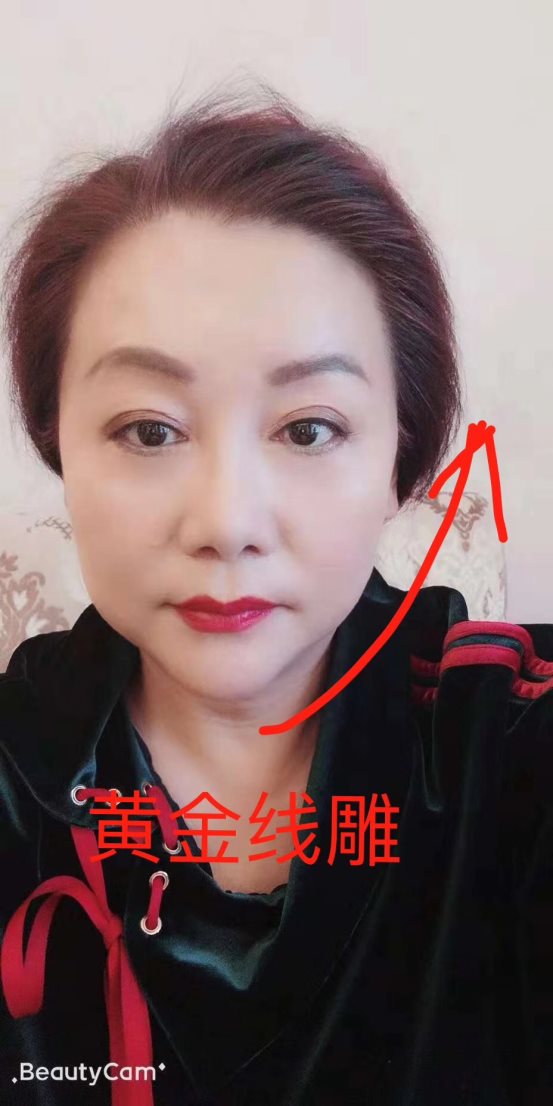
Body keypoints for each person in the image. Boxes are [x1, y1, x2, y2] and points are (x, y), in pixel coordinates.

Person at [0, 82, 551, 1106]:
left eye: (308, 429)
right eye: (149, 430)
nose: (226, 521)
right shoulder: (17, 773)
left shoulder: (506, 748)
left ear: (397, 459)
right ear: (57, 445)